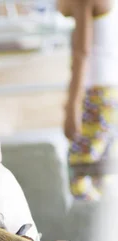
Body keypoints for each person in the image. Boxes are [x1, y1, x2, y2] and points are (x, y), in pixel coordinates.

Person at [59, 0, 118, 200]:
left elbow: (81, 53)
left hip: (97, 93)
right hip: (109, 93)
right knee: (102, 173)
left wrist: (72, 108)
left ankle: (92, 226)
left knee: (78, 172)